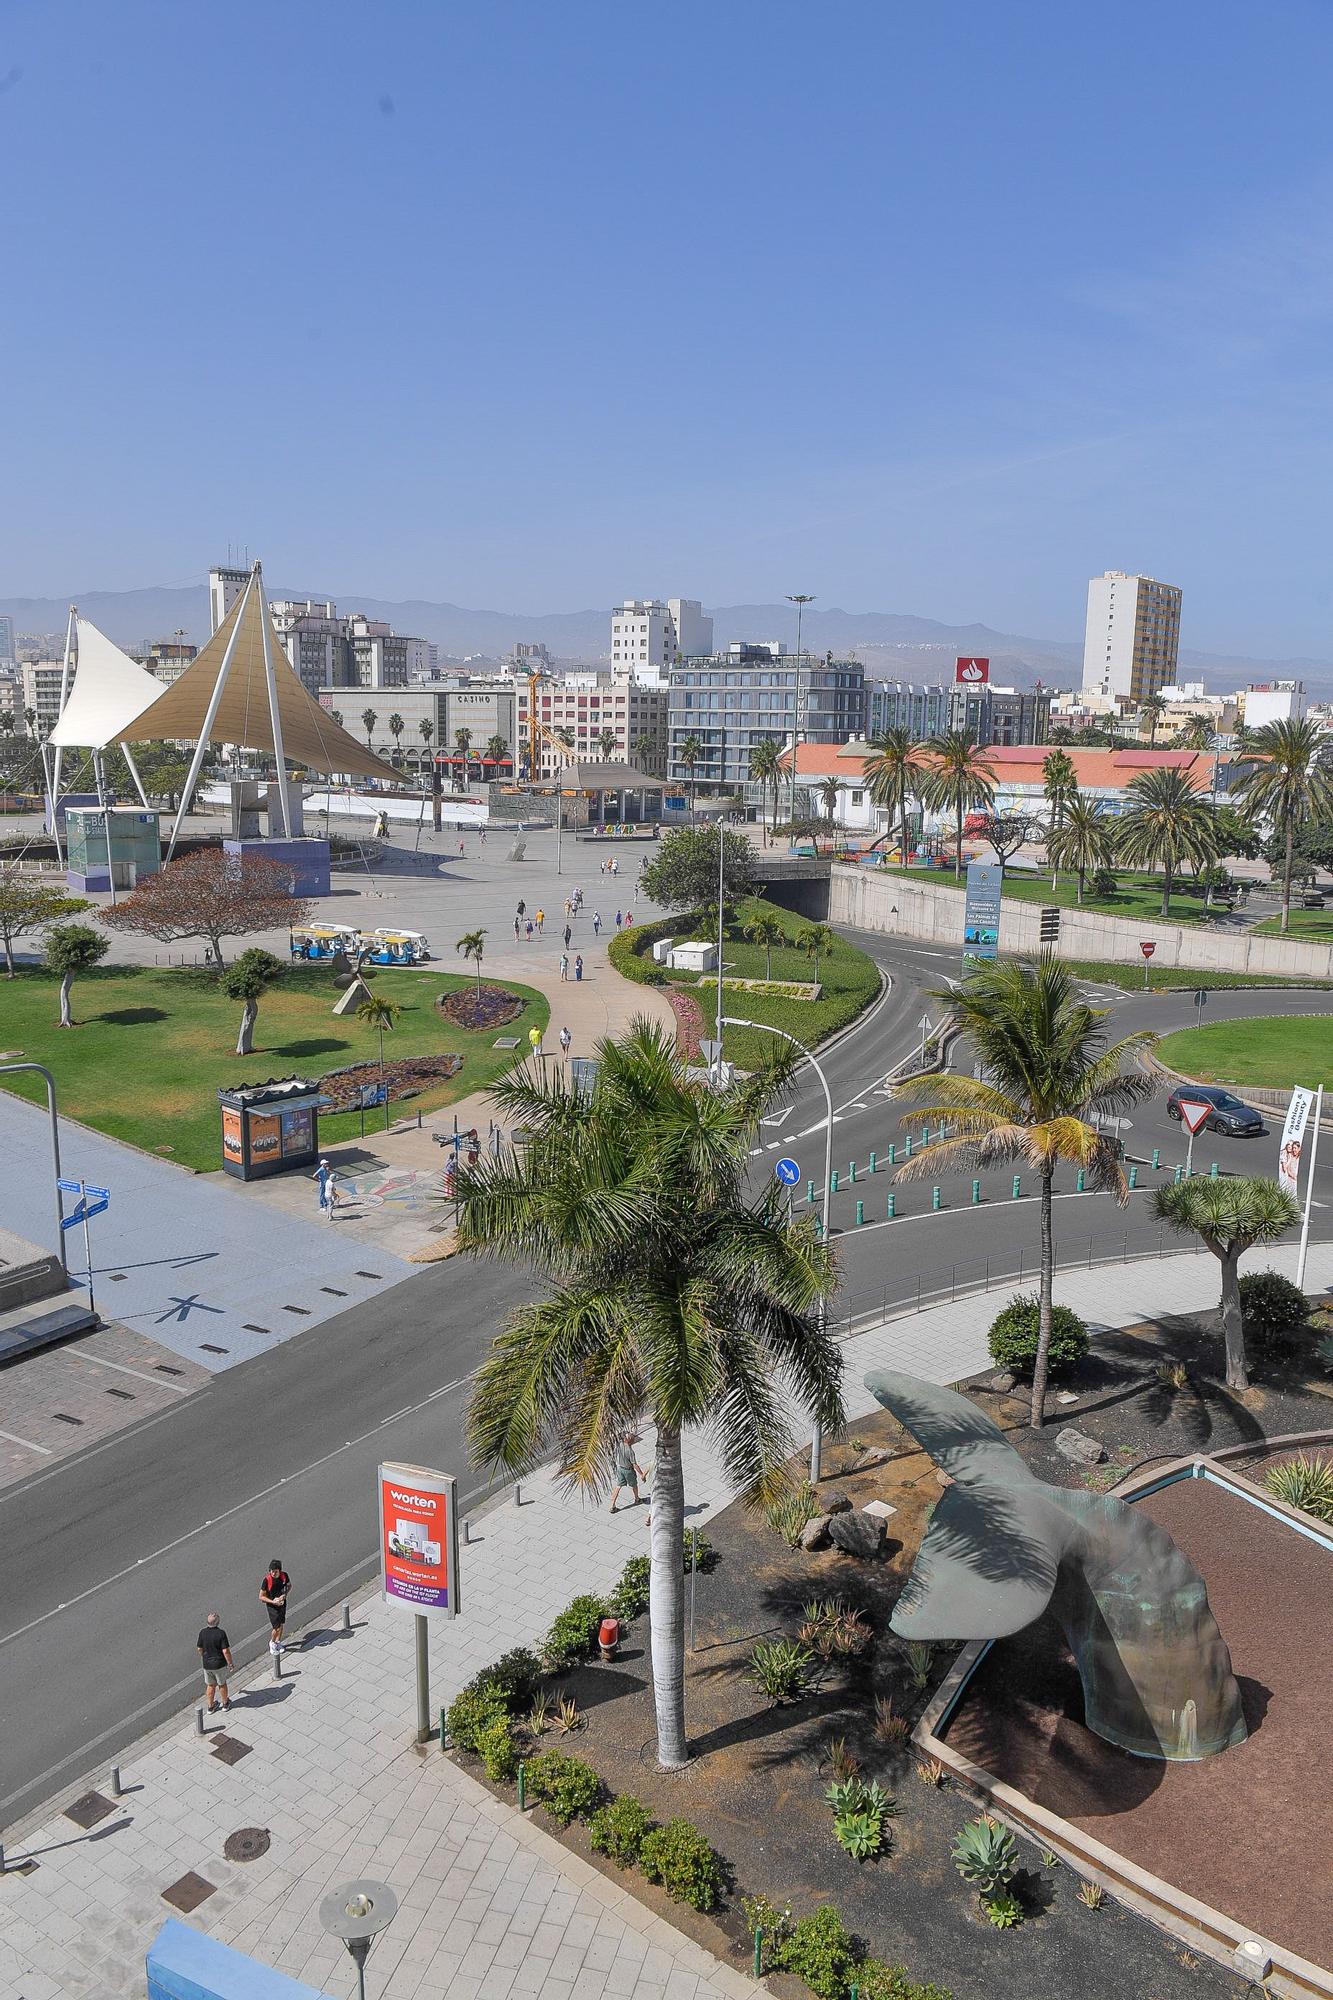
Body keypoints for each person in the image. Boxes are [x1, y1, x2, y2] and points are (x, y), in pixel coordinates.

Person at [197, 1611, 234, 1712]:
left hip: (207, 1665)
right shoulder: (221, 1633)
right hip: (219, 1664)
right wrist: (230, 1663)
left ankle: (210, 1706)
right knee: (222, 1684)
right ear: (217, 1622)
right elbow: (225, 1651)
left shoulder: (202, 1632)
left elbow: (199, 1648)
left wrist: (204, 1656)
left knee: (210, 1685)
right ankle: (225, 1703)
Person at [609, 1431, 646, 1512]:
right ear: (631, 1441)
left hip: (620, 1468)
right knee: (634, 1485)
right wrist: (642, 1474)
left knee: (618, 1486)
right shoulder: (630, 1451)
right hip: (628, 1471)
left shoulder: (620, 1445)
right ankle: (637, 1499)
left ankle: (612, 1505)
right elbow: (635, 1465)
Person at [260, 1557, 291, 1655]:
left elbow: (289, 1585)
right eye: (271, 1571)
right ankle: (272, 1642)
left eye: (275, 1571)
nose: (273, 1573)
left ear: (280, 1571)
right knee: (276, 1627)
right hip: (272, 1606)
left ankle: (278, 1642)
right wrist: (273, 1602)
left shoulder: (284, 1576)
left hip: (282, 1603)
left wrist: (284, 1595)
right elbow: (261, 1596)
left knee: (281, 1624)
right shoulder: (267, 1580)